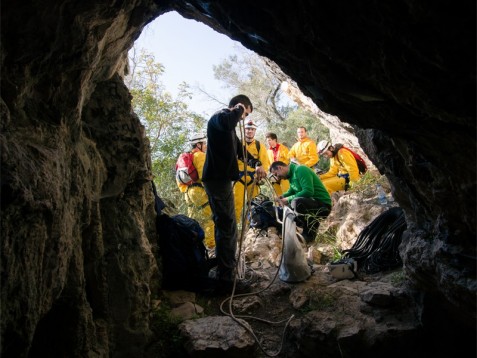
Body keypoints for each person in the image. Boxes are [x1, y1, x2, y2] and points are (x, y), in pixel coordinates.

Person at [202, 94, 266, 293]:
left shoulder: (229, 129)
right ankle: (227, 282)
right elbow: (228, 120)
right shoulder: (220, 117)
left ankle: (223, 272)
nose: (242, 120)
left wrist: (257, 165)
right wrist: (239, 109)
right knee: (228, 227)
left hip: (221, 181)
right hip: (216, 181)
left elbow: (242, 152)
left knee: (225, 225)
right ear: (239, 106)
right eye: (244, 114)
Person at [269, 161, 331, 243]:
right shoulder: (291, 175)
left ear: (280, 168)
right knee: (286, 210)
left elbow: (308, 191)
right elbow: (291, 191)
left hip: (323, 206)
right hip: (312, 203)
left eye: (276, 174)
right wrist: (282, 197)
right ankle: (304, 230)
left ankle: (309, 234)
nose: (277, 178)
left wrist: (287, 199)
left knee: (296, 203)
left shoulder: (301, 170)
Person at [176, 133, 215, 249]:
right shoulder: (199, 155)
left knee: (192, 219)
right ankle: (211, 245)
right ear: (198, 144)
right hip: (199, 191)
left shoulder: (186, 157)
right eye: (204, 143)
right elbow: (205, 176)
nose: (206, 146)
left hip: (188, 192)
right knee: (209, 218)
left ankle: (193, 245)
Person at [234, 119, 270, 223]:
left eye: (252, 129)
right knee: (237, 204)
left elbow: (264, 163)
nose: (249, 131)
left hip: (253, 179)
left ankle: (251, 227)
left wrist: (261, 177)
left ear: (255, 131)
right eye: (248, 129)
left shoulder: (259, 146)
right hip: (238, 179)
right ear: (244, 130)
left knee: (254, 204)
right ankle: (235, 229)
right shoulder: (238, 144)